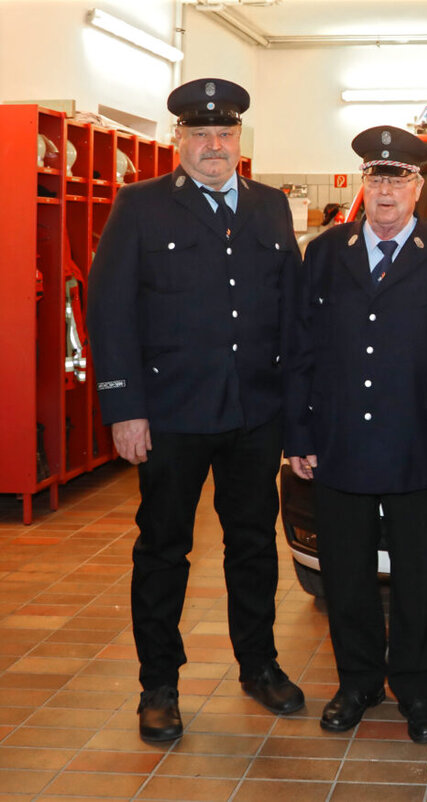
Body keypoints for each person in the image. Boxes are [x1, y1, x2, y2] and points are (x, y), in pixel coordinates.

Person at [86, 78, 304, 743]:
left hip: (254, 413)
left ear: (240, 140)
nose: (214, 146)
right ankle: (159, 683)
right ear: (178, 140)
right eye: (200, 135)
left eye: (225, 135)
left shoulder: (270, 207)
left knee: (252, 547)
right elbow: (110, 310)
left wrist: (295, 413)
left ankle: (258, 665)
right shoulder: (140, 205)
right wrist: (125, 408)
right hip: (173, 414)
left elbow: (291, 315)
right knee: (163, 549)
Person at [283, 126, 427, 743]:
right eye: (377, 177)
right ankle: (358, 682)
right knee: (346, 577)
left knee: (421, 578)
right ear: (361, 186)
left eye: (400, 178)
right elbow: (300, 349)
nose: (387, 189)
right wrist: (298, 434)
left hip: (421, 446)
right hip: (340, 443)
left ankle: (418, 691)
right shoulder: (325, 251)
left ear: (420, 187)